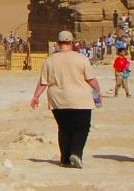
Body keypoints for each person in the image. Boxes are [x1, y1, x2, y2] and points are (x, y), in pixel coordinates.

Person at [30, 30, 102, 169]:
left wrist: (36, 96)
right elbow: (90, 79)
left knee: (64, 128)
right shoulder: (81, 58)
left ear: (58, 43)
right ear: (71, 41)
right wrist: (98, 91)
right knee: (81, 127)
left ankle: (64, 158)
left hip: (58, 99)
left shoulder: (50, 60)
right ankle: (76, 152)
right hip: (80, 99)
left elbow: (43, 82)